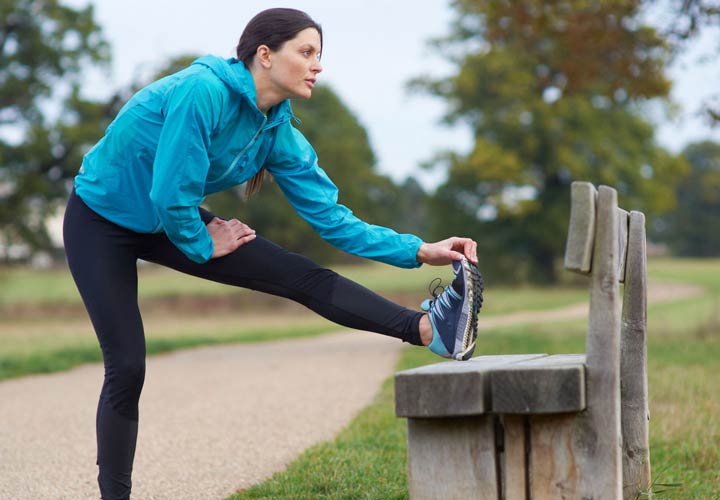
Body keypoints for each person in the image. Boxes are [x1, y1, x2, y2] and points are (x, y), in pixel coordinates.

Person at [63, 7, 483, 499]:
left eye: (318, 55)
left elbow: (333, 219)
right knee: (128, 364)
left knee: (301, 275)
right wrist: (202, 243)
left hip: (167, 215)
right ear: (265, 55)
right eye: (306, 53)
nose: (317, 65)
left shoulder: (277, 132)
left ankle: (430, 329)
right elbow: (168, 194)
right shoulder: (204, 92)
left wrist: (419, 250)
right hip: (101, 220)